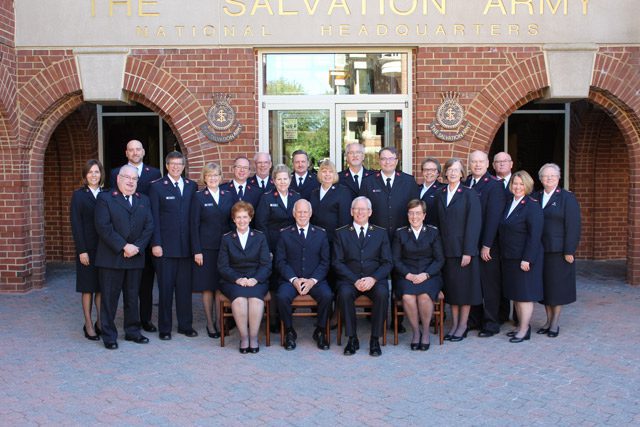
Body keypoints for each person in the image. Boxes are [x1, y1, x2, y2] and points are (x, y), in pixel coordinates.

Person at [94, 165, 154, 350]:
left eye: (134, 178)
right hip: (112, 258)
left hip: (135, 256)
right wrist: (124, 246)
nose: (130, 181)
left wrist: (137, 247)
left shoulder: (143, 199)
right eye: (126, 177)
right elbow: (103, 227)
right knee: (110, 299)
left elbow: (149, 226)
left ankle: (132, 331)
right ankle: (109, 336)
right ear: (118, 179)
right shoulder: (105, 198)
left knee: (132, 297)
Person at [109, 139, 162, 333]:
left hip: (143, 239)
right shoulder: (116, 173)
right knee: (122, 285)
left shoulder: (154, 174)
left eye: (138, 149)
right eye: (131, 150)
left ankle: (145, 319)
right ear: (126, 153)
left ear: (143, 151)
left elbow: (154, 206)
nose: (135, 152)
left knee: (145, 283)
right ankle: (125, 320)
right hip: (122, 237)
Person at [333, 196, 392, 357]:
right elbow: (337, 262)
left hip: (374, 279)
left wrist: (373, 279)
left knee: (382, 294)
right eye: (357, 209)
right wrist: (355, 280)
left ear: (370, 212)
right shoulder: (341, 233)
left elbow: (387, 262)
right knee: (344, 295)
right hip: (350, 279)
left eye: (363, 209)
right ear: (351, 212)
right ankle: (352, 338)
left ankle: (375, 339)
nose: (360, 212)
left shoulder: (380, 233)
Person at [149, 151, 198, 340]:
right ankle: (165, 328)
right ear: (167, 166)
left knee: (185, 290)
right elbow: (153, 218)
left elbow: (193, 219)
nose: (176, 167)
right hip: (165, 249)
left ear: (184, 166)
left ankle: (185, 326)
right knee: (166, 290)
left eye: (179, 164)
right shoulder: (157, 187)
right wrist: (156, 243)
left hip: (186, 249)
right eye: (173, 164)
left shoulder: (191, 186)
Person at [275, 199, 333, 351]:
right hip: (291, 280)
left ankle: (320, 330)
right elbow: (280, 262)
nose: (302, 215)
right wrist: (294, 280)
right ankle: (289, 331)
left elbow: (325, 262)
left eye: (305, 212)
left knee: (327, 295)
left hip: (315, 280)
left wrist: (312, 281)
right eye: (299, 212)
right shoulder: (285, 234)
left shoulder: (320, 234)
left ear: (310, 213)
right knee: (281, 296)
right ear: (294, 214)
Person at [436, 158, 482, 342]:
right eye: (450, 170)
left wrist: (468, 251)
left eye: (457, 170)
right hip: (446, 251)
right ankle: (454, 324)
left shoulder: (469, 194)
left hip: (463, 251)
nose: (453, 173)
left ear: (462, 173)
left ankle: (463, 325)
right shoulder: (440, 193)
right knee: (452, 290)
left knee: (464, 290)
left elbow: (474, 224)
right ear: (446, 173)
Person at [533, 163, 581, 338]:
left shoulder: (567, 198)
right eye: (545, 176)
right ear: (540, 178)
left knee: (557, 288)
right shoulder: (535, 196)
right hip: (540, 250)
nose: (549, 178)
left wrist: (569, 250)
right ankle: (547, 320)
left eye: (552, 176)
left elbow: (574, 226)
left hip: (559, 251)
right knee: (545, 287)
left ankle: (555, 323)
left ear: (558, 178)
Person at [218, 201, 271, 353]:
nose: (242, 220)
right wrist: (237, 279)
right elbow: (223, 266)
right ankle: (244, 337)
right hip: (232, 280)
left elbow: (266, 264)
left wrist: (255, 279)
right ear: (233, 219)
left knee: (255, 299)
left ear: (250, 218)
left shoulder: (260, 237)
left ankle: (253, 338)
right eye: (238, 217)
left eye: (245, 217)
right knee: (240, 300)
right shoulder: (227, 239)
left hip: (257, 279)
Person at [392, 199, 445, 351]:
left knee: (424, 296)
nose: (414, 217)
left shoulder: (433, 232)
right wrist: (407, 274)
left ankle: (426, 332)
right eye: (411, 213)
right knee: (408, 296)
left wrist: (426, 275)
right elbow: (395, 259)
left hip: (429, 275)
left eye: (418, 213)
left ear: (424, 215)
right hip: (406, 275)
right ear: (407, 215)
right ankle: (416, 332)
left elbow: (439, 259)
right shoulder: (400, 233)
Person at [465, 150, 507, 337]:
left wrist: (487, 245)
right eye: (474, 161)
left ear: (487, 163)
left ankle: (491, 323)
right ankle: (474, 320)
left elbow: (493, 218)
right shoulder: (466, 183)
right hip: (469, 244)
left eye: (481, 161)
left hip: (486, 245)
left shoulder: (494, 185)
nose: (477, 165)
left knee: (489, 286)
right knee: (473, 284)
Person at [499, 170, 544, 343]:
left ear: (527, 186)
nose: (517, 187)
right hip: (510, 256)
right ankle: (520, 326)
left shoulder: (532, 205)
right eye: (514, 184)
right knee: (516, 294)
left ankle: (525, 329)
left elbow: (535, 235)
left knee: (524, 295)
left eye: (520, 184)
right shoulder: (510, 201)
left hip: (524, 258)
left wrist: (528, 259)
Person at [190, 162, 234, 339]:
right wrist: (197, 250)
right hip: (206, 249)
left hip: (224, 248)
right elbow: (194, 225)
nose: (213, 178)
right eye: (209, 175)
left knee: (219, 286)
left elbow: (232, 222)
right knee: (207, 287)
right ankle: (210, 323)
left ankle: (219, 320)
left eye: (216, 175)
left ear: (221, 177)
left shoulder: (228, 195)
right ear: (205, 178)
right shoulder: (199, 197)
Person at [70, 159, 106, 341]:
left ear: (101, 174)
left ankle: (100, 322)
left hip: (104, 249)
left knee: (101, 287)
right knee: (88, 287)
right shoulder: (79, 196)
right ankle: (89, 324)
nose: (94, 175)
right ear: (85, 175)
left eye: (97, 172)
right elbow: (76, 225)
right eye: (90, 172)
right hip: (87, 249)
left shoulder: (106, 194)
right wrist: (81, 250)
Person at [360, 147, 419, 241]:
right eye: (383, 159)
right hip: (375, 236)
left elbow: (416, 209)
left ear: (396, 161)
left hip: (403, 236)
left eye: (391, 159)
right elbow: (362, 210)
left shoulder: (409, 181)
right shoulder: (368, 182)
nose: (387, 162)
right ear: (379, 161)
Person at [255, 164, 301, 254]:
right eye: (279, 179)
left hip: (293, 242)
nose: (282, 182)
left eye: (285, 179)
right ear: (274, 181)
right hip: (274, 243)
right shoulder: (267, 198)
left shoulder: (296, 196)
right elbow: (261, 224)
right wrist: (267, 248)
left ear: (290, 180)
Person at [492, 151, 515, 323]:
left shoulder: (519, 183)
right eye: (497, 162)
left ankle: (518, 316)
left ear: (511, 164)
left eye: (504, 161)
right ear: (492, 165)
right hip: (493, 239)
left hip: (513, 240)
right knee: (497, 278)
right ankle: (501, 314)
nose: (501, 164)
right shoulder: (490, 183)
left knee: (513, 278)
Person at [309, 159, 352, 243]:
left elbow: (345, 220)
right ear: (320, 174)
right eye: (324, 171)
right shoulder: (314, 192)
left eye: (330, 171)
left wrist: (340, 239)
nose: (327, 174)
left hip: (335, 238)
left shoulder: (343, 192)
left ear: (335, 174)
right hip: (316, 238)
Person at [419, 157, 444, 227]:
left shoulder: (443, 189)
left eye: (432, 170)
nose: (429, 172)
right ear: (422, 172)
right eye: (426, 169)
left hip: (434, 232)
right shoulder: (416, 189)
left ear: (438, 173)